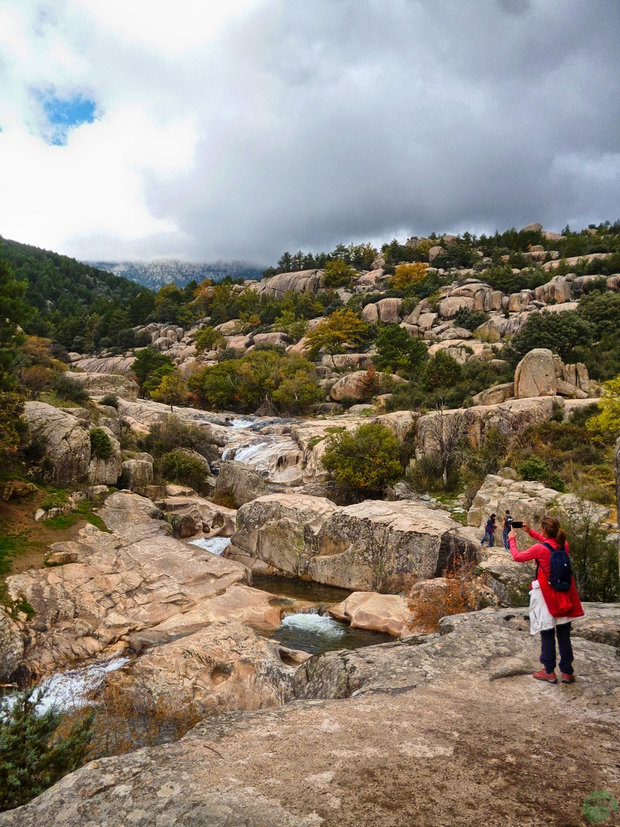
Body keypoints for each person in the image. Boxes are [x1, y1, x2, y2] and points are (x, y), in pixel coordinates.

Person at [508, 516, 584, 684]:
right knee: (564, 634)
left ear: (544, 529)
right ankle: (567, 672)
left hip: (546, 594)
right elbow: (550, 543)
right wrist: (530, 532)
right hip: (564, 594)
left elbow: (517, 557)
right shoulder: (564, 545)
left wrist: (512, 540)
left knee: (547, 632)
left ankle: (549, 671)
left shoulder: (539, 549)